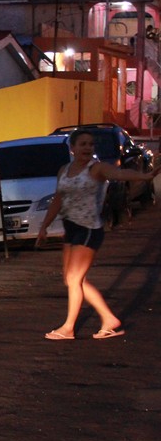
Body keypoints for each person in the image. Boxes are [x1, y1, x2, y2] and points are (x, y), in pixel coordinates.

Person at [38, 129, 161, 340]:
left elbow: (120, 174)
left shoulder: (96, 169)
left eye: (91, 144)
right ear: (73, 148)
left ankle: (68, 328)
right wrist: (44, 227)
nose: (88, 148)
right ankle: (109, 319)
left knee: (75, 279)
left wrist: (145, 175)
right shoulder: (64, 170)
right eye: (83, 144)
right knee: (71, 280)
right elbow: (58, 199)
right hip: (71, 227)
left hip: (89, 229)